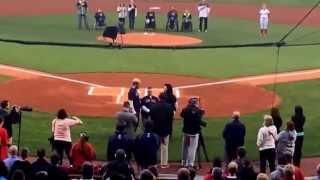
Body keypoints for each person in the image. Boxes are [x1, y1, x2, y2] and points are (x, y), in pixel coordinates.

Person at [150, 93, 174, 168]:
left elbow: (152, 118)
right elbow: (170, 119)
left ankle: (154, 163)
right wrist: (170, 130)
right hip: (165, 130)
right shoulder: (169, 107)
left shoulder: (154, 106)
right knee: (164, 146)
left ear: (159, 98)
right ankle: (164, 163)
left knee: (155, 147)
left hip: (155, 129)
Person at [180, 97, 206, 167]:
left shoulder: (185, 109)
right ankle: (190, 163)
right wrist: (204, 122)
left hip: (185, 132)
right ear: (195, 103)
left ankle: (183, 162)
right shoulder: (197, 111)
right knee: (192, 148)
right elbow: (197, 121)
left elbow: (182, 115)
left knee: (185, 147)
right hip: (194, 133)